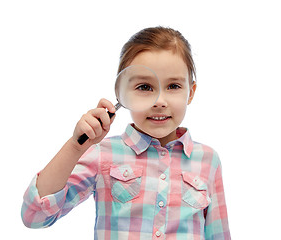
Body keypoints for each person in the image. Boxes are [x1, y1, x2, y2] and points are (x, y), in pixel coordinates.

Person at [21, 26, 231, 240]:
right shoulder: (103, 154)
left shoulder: (208, 160)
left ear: (191, 92)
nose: (159, 101)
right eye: (144, 87)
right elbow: (35, 216)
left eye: (174, 85)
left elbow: (219, 235)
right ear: (122, 92)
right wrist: (76, 147)